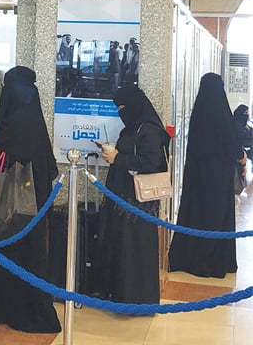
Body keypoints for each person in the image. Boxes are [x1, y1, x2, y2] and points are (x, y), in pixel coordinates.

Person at [0, 66, 61, 333]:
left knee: (16, 252)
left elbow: (17, 156)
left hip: (17, 203)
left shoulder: (18, 120)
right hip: (32, 201)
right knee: (30, 253)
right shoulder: (31, 114)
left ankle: (18, 310)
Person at [93, 83, 169, 305]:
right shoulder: (133, 128)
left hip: (137, 204)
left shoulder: (149, 130)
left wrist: (118, 159)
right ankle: (122, 295)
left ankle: (137, 298)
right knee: (124, 247)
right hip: (124, 200)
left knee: (135, 248)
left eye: (123, 106)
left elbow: (150, 162)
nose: (120, 111)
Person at [169, 73, 244, 278]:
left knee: (197, 213)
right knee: (216, 216)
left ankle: (191, 256)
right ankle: (213, 260)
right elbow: (232, 144)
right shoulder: (222, 114)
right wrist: (242, 158)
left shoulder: (199, 113)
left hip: (197, 176)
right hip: (218, 177)